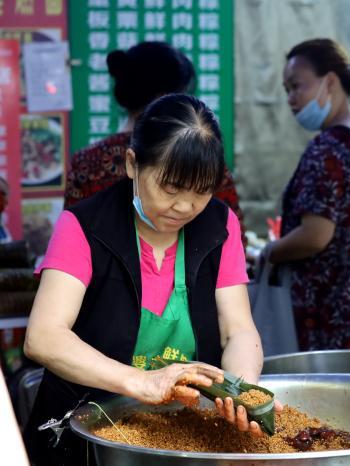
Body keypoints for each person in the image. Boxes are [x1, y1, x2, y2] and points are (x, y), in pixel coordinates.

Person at [24, 94, 269, 466]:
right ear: (132, 164)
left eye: (201, 191)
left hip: (183, 436)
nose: (185, 207)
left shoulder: (220, 225)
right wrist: (140, 380)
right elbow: (44, 337)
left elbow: (238, 331)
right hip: (84, 435)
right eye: (170, 188)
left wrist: (239, 390)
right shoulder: (84, 227)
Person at [267, 38, 350, 350]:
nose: (291, 98)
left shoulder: (328, 147)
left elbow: (315, 235)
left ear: (329, 82)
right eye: (286, 90)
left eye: (296, 86)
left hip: (324, 312)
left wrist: (270, 252)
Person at [64, 41, 247, 242]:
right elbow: (235, 237)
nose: (182, 206)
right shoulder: (199, 154)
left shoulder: (87, 161)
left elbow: (72, 238)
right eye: (170, 187)